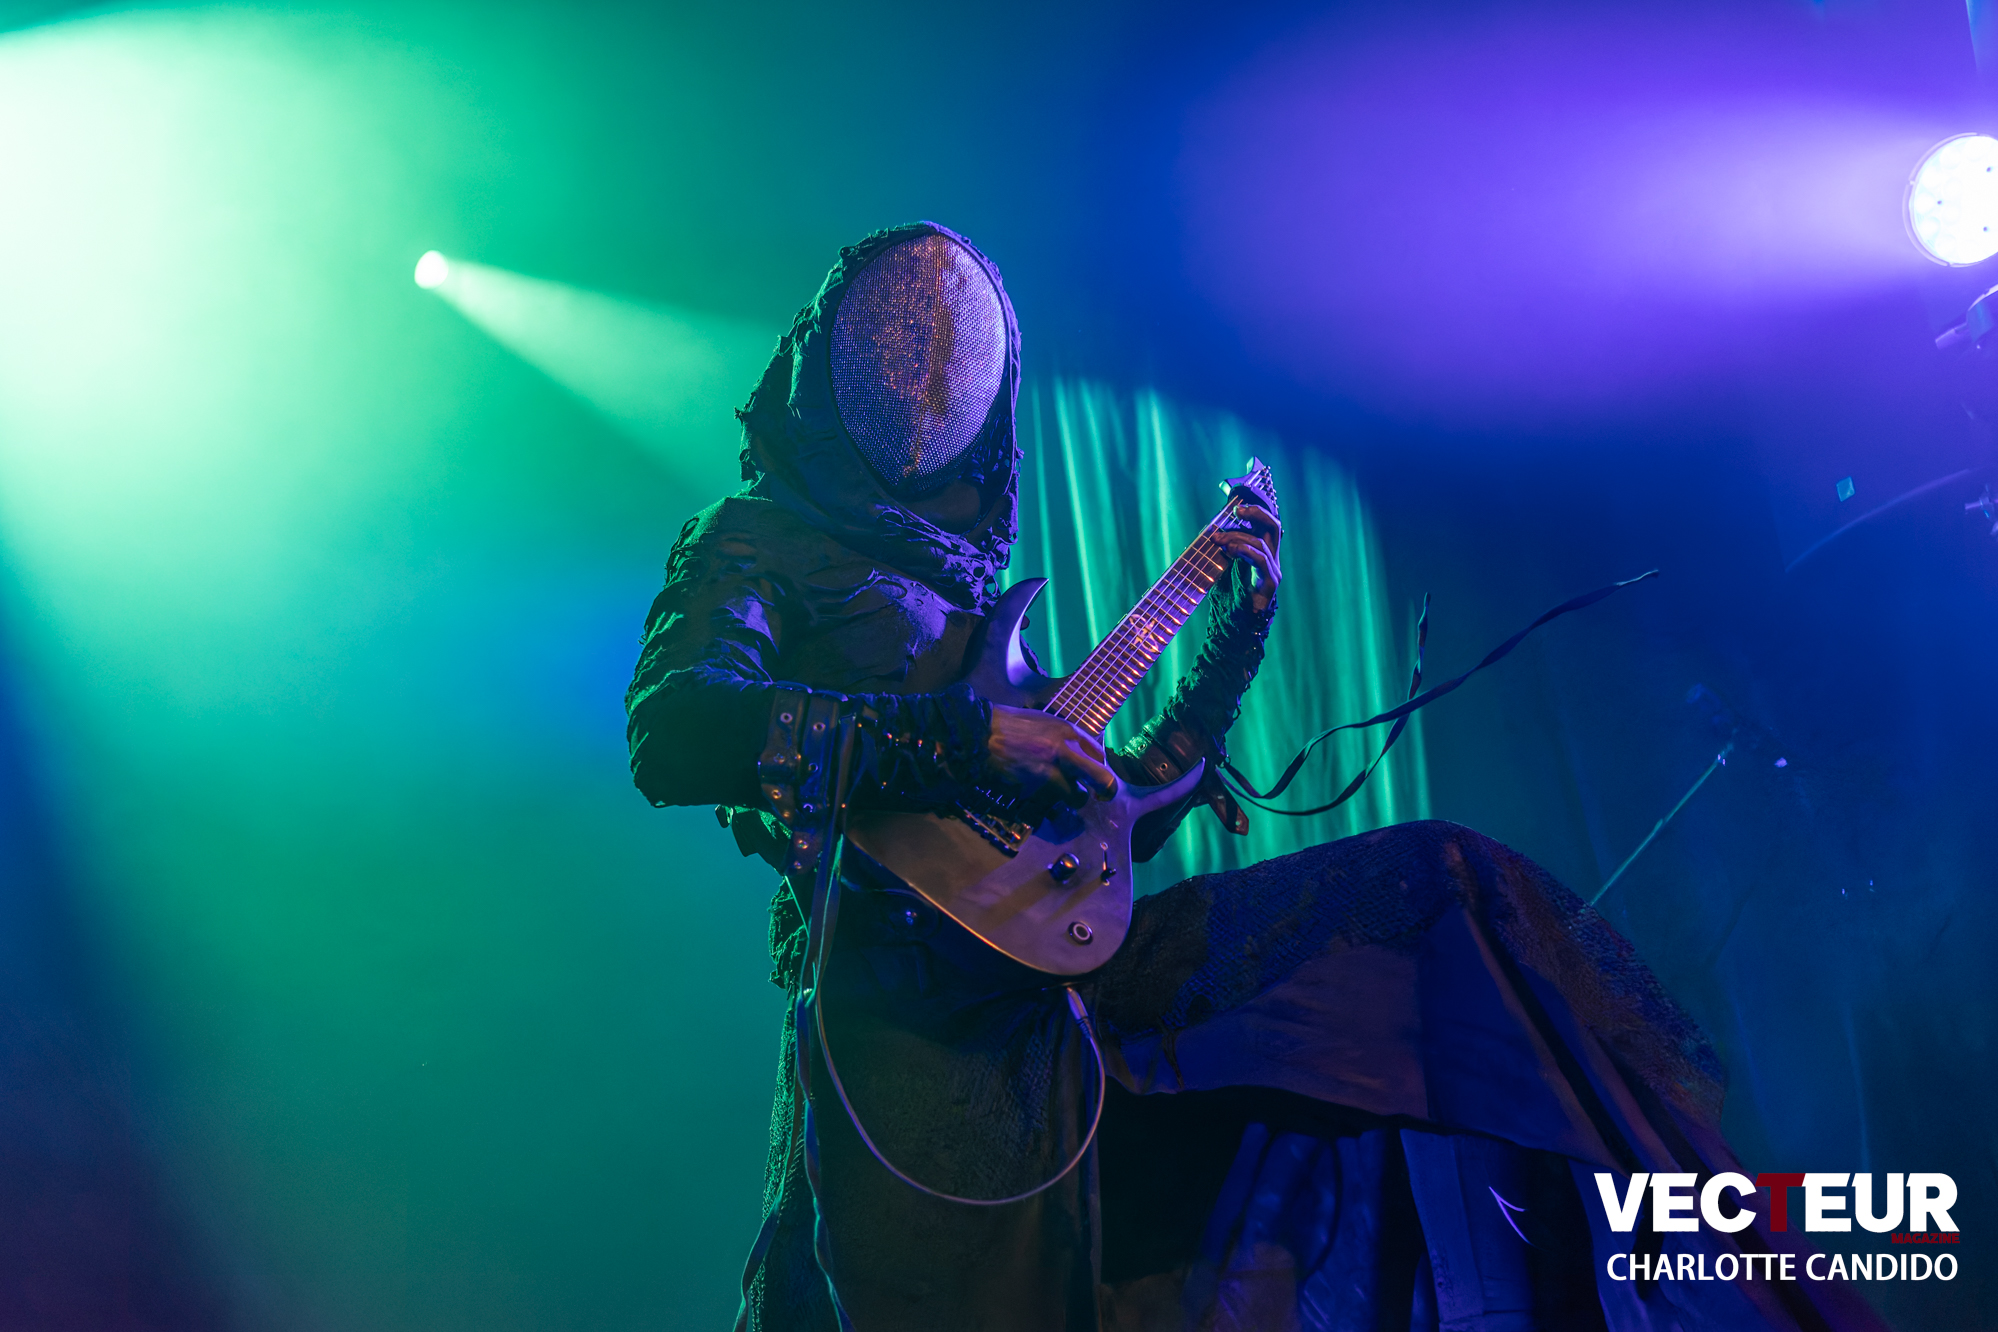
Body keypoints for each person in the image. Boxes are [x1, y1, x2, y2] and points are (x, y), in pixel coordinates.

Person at [626, 223, 1887, 1331]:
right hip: (902, 1031)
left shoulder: (972, 593)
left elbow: (1112, 819)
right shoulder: (751, 540)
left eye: (949, 355)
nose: (919, 376)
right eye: (892, 341)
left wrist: (1235, 642)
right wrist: (967, 743)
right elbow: (675, 731)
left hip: (1055, 1000)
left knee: (1436, 888)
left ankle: (1677, 1253)